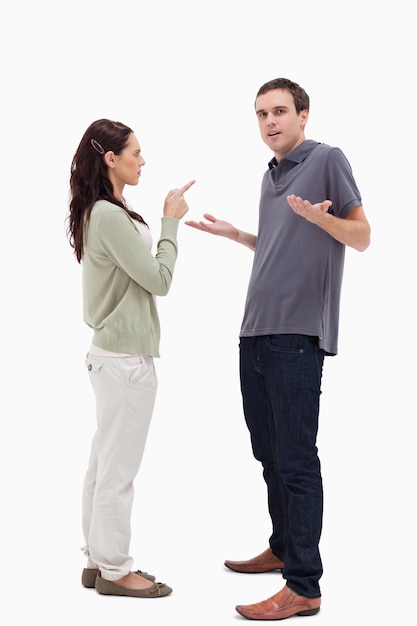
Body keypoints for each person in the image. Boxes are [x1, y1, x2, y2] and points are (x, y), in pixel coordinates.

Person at [185, 77, 370, 620]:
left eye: (280, 112)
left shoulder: (328, 159)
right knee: (267, 453)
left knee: (295, 458)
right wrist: (237, 235)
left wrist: (320, 217)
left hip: (296, 336)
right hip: (255, 331)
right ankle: (283, 547)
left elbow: (361, 237)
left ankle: (304, 585)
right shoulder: (271, 174)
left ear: (304, 115)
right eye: (262, 113)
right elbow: (279, 246)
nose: (270, 122)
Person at [66, 118, 195, 598]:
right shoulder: (108, 215)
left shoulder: (110, 210)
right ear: (111, 159)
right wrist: (170, 222)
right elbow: (159, 280)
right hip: (124, 360)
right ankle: (116, 570)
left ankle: (97, 560)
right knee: (116, 470)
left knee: (104, 463)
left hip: (114, 356)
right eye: (136, 153)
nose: (143, 161)